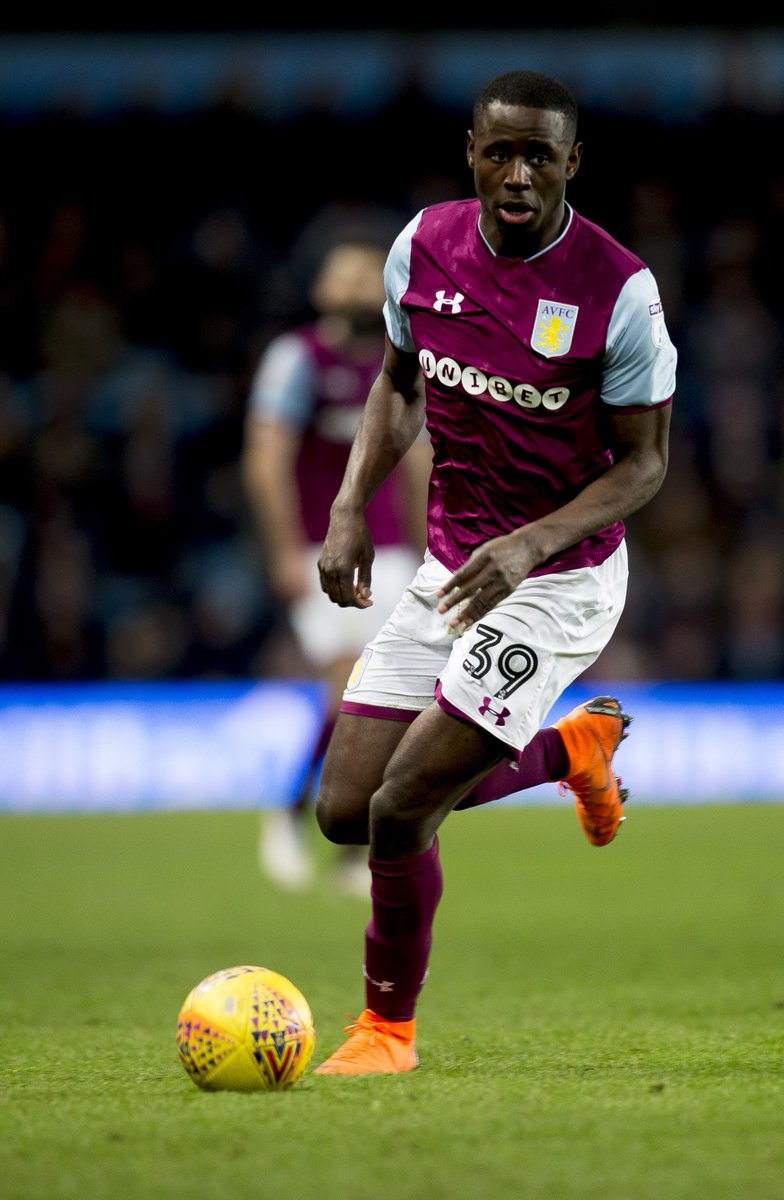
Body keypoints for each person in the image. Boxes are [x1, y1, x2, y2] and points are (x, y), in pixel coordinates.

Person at [311, 69, 676, 1074]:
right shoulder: (421, 247)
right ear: (471, 149)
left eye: (539, 155)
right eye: (500, 151)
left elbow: (643, 464)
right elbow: (396, 386)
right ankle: (572, 750)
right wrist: (348, 510)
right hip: (452, 566)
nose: (517, 174)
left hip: (558, 579)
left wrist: (528, 545)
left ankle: (386, 1031)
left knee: (400, 809)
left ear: (571, 163)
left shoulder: (616, 292)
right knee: (343, 809)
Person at [242, 235, 430, 894]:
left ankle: (354, 843)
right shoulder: (297, 359)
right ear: (321, 291)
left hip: (397, 555)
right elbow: (266, 461)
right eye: (342, 277)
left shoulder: (399, 359)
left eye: (364, 279)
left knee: (393, 701)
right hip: (325, 551)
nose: (353, 289)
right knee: (350, 688)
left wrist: (432, 545)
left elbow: (415, 462)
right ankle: (294, 811)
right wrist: (284, 548)